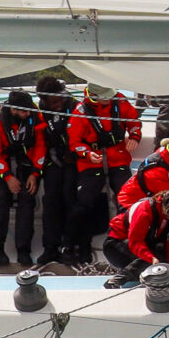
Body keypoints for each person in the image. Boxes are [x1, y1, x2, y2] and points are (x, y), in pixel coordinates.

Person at [65, 84, 138, 259]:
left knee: (128, 199)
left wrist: (135, 136)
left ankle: (124, 242)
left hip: (118, 157)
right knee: (84, 204)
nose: (109, 98)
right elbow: (74, 142)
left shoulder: (119, 101)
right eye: (105, 96)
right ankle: (72, 244)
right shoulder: (80, 112)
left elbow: (134, 121)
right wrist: (88, 153)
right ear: (94, 95)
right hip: (91, 161)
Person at [0, 88, 48, 268]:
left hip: (26, 163)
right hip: (1, 164)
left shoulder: (34, 116)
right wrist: (7, 177)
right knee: (1, 198)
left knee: (27, 198)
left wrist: (35, 173)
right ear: (13, 109)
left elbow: (40, 146)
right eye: (23, 111)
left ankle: (23, 249)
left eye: (29, 111)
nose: (27, 114)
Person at [34, 77, 78, 256]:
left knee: (70, 197)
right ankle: (50, 247)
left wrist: (72, 154)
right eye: (53, 102)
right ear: (44, 101)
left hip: (75, 158)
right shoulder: (39, 111)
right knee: (50, 199)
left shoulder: (74, 106)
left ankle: (71, 245)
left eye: (60, 100)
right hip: (52, 158)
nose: (58, 104)